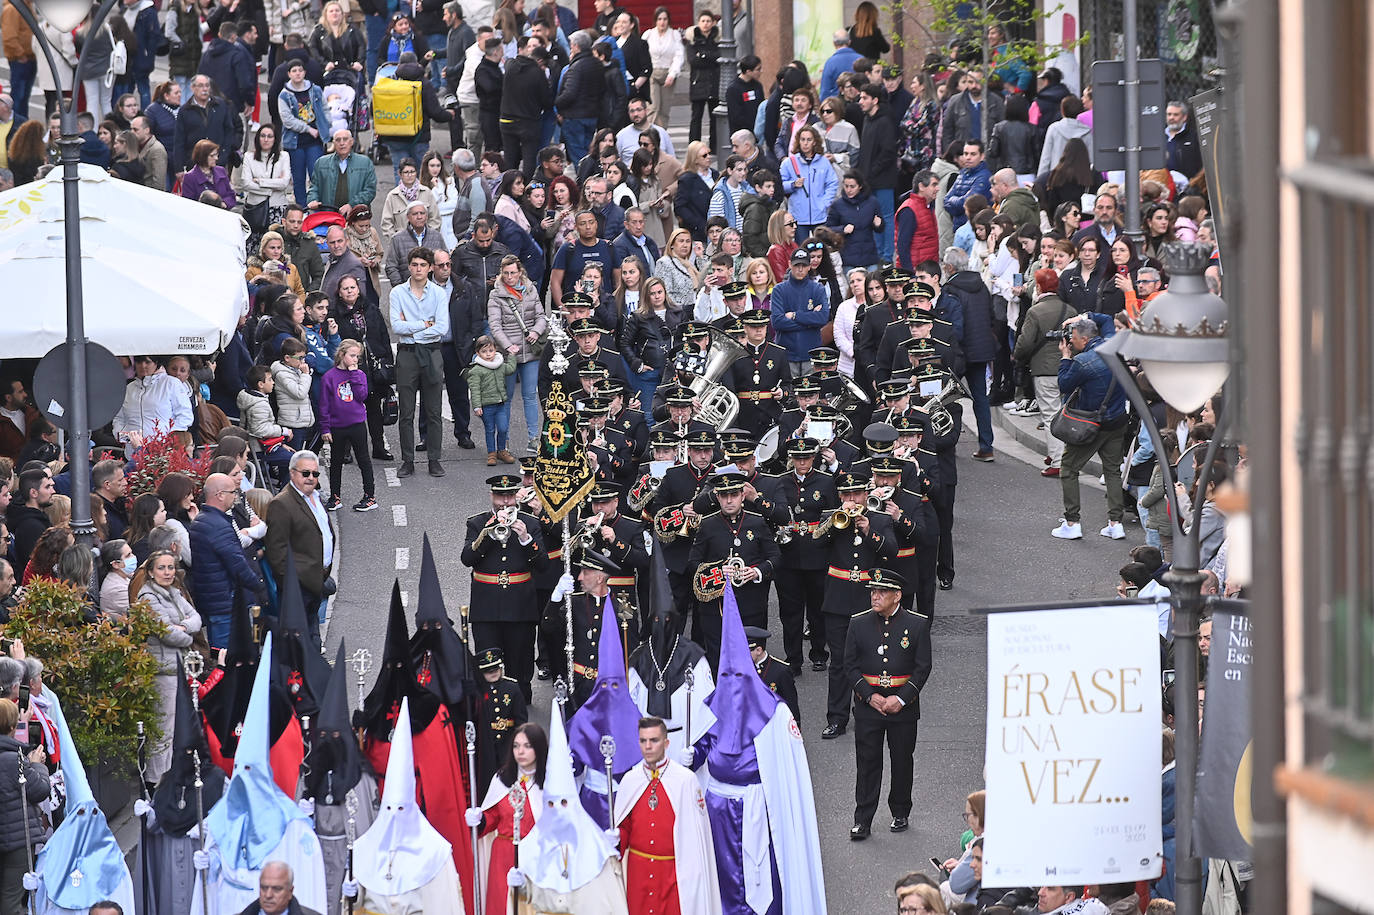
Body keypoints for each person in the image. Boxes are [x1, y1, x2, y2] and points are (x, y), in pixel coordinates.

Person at [842, 568, 930, 840]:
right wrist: (871, 696)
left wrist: (901, 698)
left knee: (902, 760)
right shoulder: (858, 623)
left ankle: (900, 811)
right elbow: (850, 665)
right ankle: (863, 819)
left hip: (902, 707)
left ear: (897, 596)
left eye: (881, 592)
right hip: (870, 706)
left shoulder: (916, 624)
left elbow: (923, 667)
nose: (875, 596)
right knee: (867, 762)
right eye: (873, 592)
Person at [612, 716, 720, 914]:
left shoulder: (685, 781)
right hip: (638, 876)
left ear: (666, 742)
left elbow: (696, 839)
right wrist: (617, 837)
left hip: (674, 875)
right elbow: (624, 826)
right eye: (643, 741)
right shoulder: (630, 780)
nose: (648, 746)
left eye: (654, 740)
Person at [1051, 316, 1129, 541]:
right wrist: (1080, 318)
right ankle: (1116, 524)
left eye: (1073, 338)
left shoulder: (1083, 361)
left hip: (1090, 426)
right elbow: (1104, 318)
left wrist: (1065, 358)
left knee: (1068, 468)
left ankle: (1072, 522)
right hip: (1117, 421)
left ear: (1084, 339)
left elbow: (1064, 384)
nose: (1070, 342)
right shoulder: (1113, 345)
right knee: (1112, 470)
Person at [134, 549, 202, 782]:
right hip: (163, 672)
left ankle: (174, 777)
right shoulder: (148, 598)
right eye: (161, 568)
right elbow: (167, 634)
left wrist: (182, 627)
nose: (167, 572)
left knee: (177, 728)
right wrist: (186, 633)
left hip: (178, 668)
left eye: (170, 567)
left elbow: (196, 619)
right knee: (163, 730)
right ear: (151, 572)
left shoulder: (174, 592)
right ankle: (157, 782)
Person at [466, 721, 546, 915]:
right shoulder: (502, 779)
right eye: (516, 746)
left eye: (527, 746)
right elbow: (492, 817)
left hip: (535, 858)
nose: (521, 751)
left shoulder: (548, 784)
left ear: (539, 748)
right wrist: (479, 820)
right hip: (502, 857)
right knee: (500, 906)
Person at [390, 246, 449, 478]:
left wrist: (412, 330)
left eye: (423, 265)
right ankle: (408, 460)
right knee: (406, 411)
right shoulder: (397, 293)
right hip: (407, 354)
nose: (418, 269)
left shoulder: (438, 293)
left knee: (433, 409)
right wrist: (425, 325)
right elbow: (396, 327)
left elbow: (442, 328)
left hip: (432, 352)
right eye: (414, 265)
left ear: (430, 267)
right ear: (409, 266)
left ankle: (434, 459)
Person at [486, 254, 547, 455]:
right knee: (506, 398)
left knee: (530, 396)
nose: (510, 277)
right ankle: (504, 442)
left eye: (513, 273)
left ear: (520, 272)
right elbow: (495, 326)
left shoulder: (530, 289)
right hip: (508, 355)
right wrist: (507, 346)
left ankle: (533, 438)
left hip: (530, 353)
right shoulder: (496, 295)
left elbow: (540, 316)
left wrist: (536, 331)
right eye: (506, 273)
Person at [0, 696, 49, 915]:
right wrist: (37, 766)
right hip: (17, 841)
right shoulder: (14, 760)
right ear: (12, 727)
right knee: (12, 900)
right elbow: (39, 790)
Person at [318, 340, 377, 513]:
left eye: (357, 357)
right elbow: (324, 405)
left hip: (357, 424)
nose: (354, 360)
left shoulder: (359, 374)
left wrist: (354, 375)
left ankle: (370, 496)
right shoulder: (329, 377)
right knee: (336, 462)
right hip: (337, 426)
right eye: (352, 356)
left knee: (363, 460)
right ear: (342, 355)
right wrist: (325, 428)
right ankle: (335, 496)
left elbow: (361, 396)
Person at [465, 334, 517, 465]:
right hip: (486, 405)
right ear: (477, 353)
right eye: (484, 351)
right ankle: (491, 453)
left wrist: (511, 356)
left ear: (495, 350)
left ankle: (502, 450)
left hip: (500, 404)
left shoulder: (499, 364)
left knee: (503, 428)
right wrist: (477, 406)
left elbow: (510, 369)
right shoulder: (476, 370)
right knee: (490, 429)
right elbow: (475, 389)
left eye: (491, 350)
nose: (488, 354)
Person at [306, 129, 376, 218]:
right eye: (338, 140)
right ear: (333, 143)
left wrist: (351, 205)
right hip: (328, 216)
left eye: (345, 139)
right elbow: (314, 187)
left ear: (351, 142)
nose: (342, 143)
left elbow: (370, 190)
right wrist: (313, 200)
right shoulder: (321, 162)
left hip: (357, 217)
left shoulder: (365, 162)